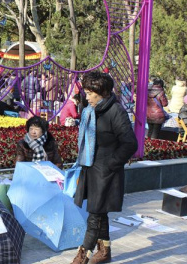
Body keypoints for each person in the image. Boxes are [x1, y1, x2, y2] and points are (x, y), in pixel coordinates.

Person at [72, 71, 138, 264]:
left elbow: (130, 143)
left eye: (92, 93)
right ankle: (105, 250)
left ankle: (83, 255)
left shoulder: (115, 111)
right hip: (90, 167)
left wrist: (111, 164)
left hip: (106, 170)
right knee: (99, 211)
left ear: (104, 93)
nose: (87, 96)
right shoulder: (89, 109)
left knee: (94, 214)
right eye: (86, 92)